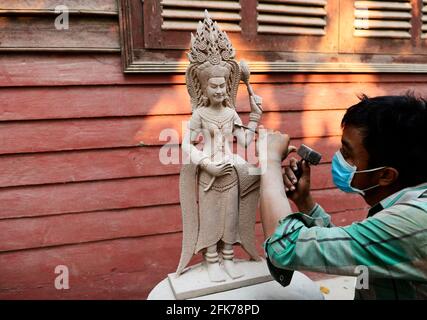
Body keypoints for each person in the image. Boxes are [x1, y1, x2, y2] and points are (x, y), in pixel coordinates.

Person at [258, 94, 427, 299]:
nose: (339, 158)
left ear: (385, 175)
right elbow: (355, 249)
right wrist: (305, 202)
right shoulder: (411, 206)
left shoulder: (413, 221)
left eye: (348, 154)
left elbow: (284, 247)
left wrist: (270, 161)